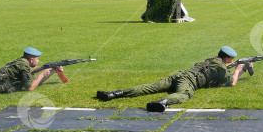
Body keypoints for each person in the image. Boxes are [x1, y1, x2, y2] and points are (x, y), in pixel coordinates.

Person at [95, 46, 251, 112]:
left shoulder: (212, 60)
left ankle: (114, 94)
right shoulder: (222, 66)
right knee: (184, 95)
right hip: (189, 81)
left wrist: (238, 68)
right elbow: (231, 83)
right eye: (231, 59)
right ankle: (162, 103)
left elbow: (217, 74)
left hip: (180, 75)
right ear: (227, 58)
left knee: (150, 86)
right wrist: (239, 69)